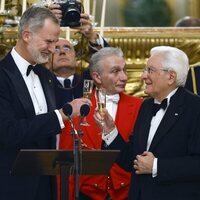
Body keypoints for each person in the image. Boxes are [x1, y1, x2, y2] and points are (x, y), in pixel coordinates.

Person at [0, 6, 90, 200]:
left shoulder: (46, 75)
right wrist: (62, 115)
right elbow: (9, 132)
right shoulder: (2, 75)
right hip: (10, 187)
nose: (52, 49)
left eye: (55, 42)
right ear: (26, 35)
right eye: (49, 42)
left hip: (45, 186)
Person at [100, 46, 200, 200]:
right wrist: (111, 132)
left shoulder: (195, 108)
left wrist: (156, 166)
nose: (143, 76)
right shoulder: (146, 106)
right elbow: (133, 160)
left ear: (171, 77)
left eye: (150, 70)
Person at [58, 47, 143, 199]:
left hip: (127, 194)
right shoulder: (77, 108)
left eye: (124, 70)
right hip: (87, 194)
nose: (124, 77)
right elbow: (65, 164)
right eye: (115, 71)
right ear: (97, 77)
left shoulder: (140, 107)